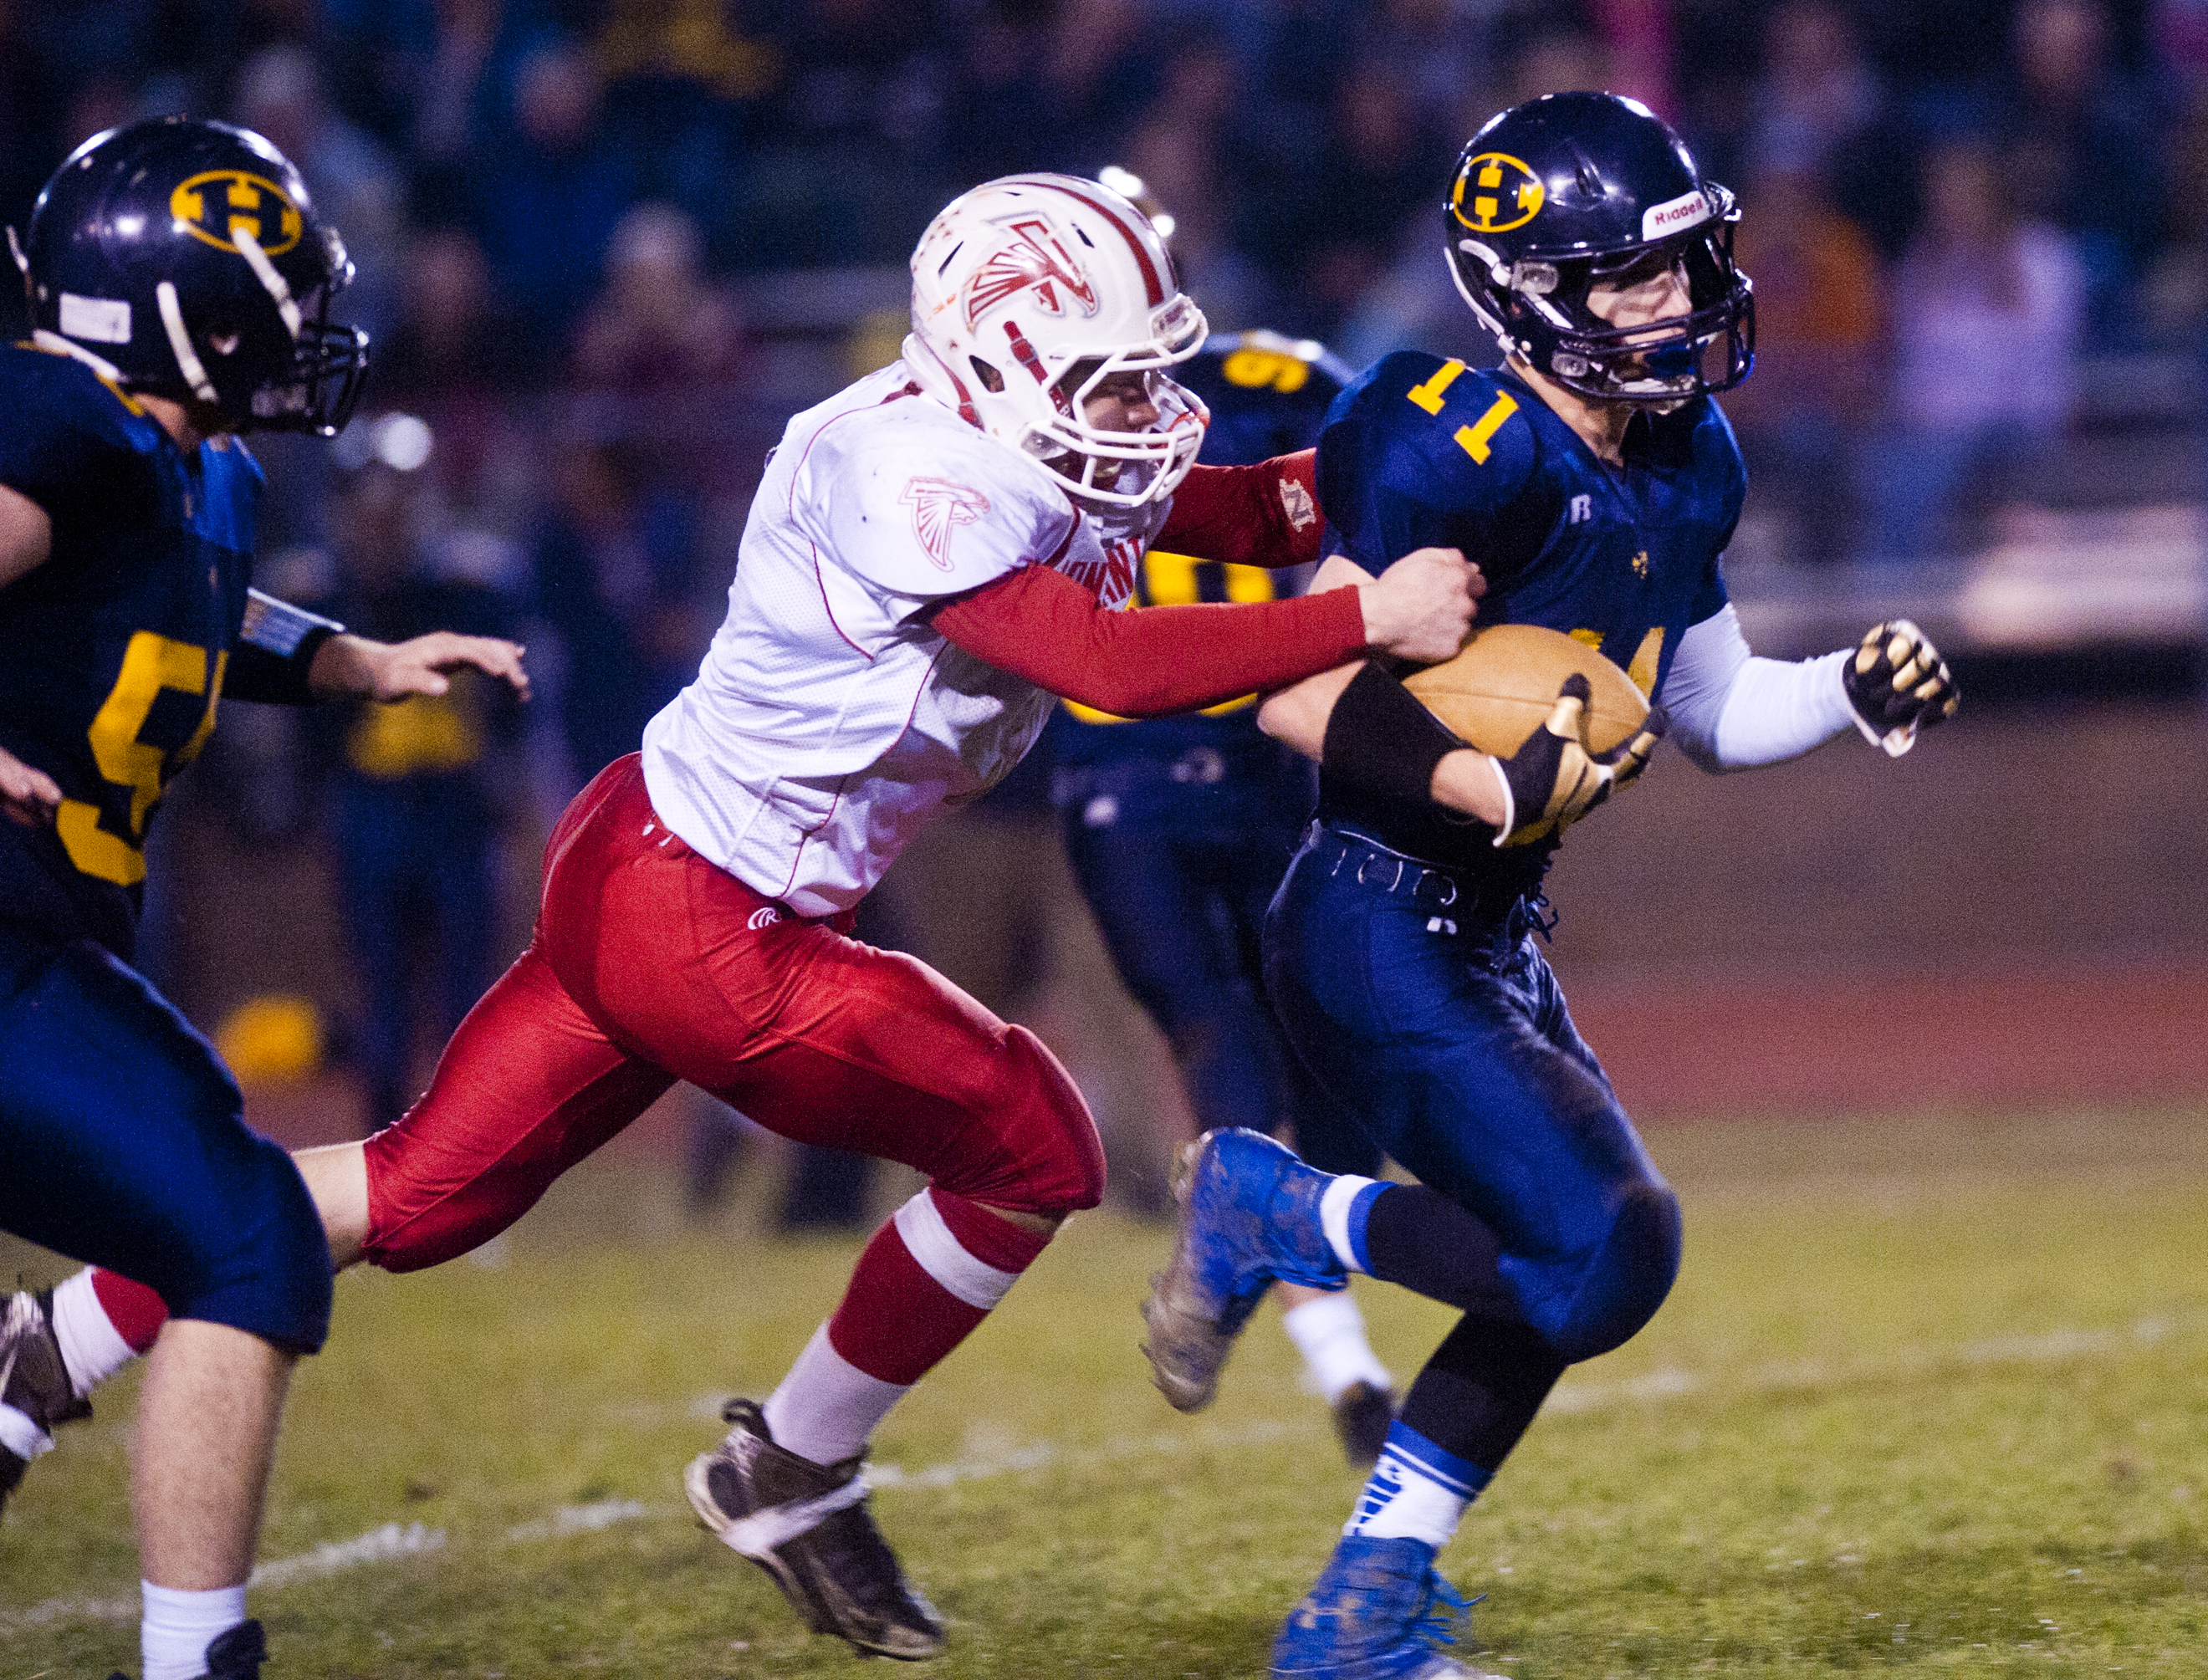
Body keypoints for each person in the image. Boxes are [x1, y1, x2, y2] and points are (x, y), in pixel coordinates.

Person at [44, 172, 1480, 1662]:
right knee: (1036, 1144)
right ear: (1003, 359)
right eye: (1112, 382)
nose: (1148, 412)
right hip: (713, 924)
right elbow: (1105, 659)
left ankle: (60, 1335)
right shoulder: (922, 477)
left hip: (647, 854)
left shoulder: (1013, 427)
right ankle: (789, 1466)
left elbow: (1233, 505)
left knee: (418, 1194)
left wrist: (1389, 481)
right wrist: (1361, 613)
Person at [1139, 92, 1960, 1680]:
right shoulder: (1442, 430)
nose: (1682, 304)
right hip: (1372, 914)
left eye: (1686, 267)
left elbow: (1708, 713)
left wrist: (1850, 691)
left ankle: (1360, 1606)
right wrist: (1479, 778)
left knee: (1575, 1264)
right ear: (1526, 289)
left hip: (1493, 935)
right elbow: (1298, 691)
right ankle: (1279, 1205)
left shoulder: (1687, 452)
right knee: (1606, 1247)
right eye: (1633, 280)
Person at [0, 118, 527, 1680]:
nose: (291, 334)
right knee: (247, 1236)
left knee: (215, 1176)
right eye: (253, 305)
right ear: (155, 304)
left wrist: (351, 658)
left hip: (48, 940)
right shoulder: (61, 416)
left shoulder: (183, 459)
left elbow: (181, 598)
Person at [1043, 327, 1398, 1464]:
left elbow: (1388, 459)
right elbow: (1395, 458)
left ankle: (1285, 1306)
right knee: (1269, 1032)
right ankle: (1336, 1351)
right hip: (1214, 755)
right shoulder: (1267, 376)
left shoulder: (1015, 419)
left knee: (1250, 1037)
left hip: (1173, 769)